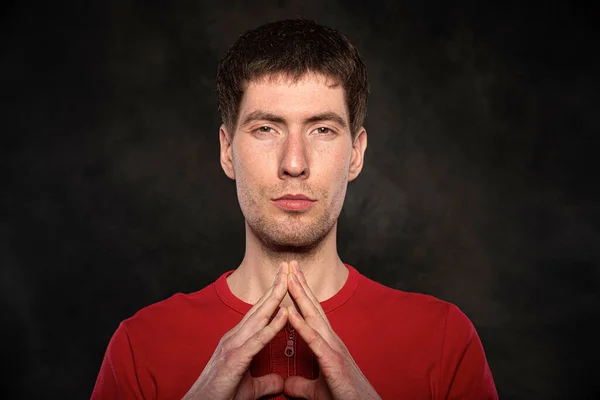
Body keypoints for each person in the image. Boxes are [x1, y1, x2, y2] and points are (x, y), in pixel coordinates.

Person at [91, 18, 498, 400]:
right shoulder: (140, 344)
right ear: (226, 151)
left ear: (356, 154)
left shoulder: (444, 339)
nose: (294, 163)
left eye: (322, 129)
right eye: (266, 128)